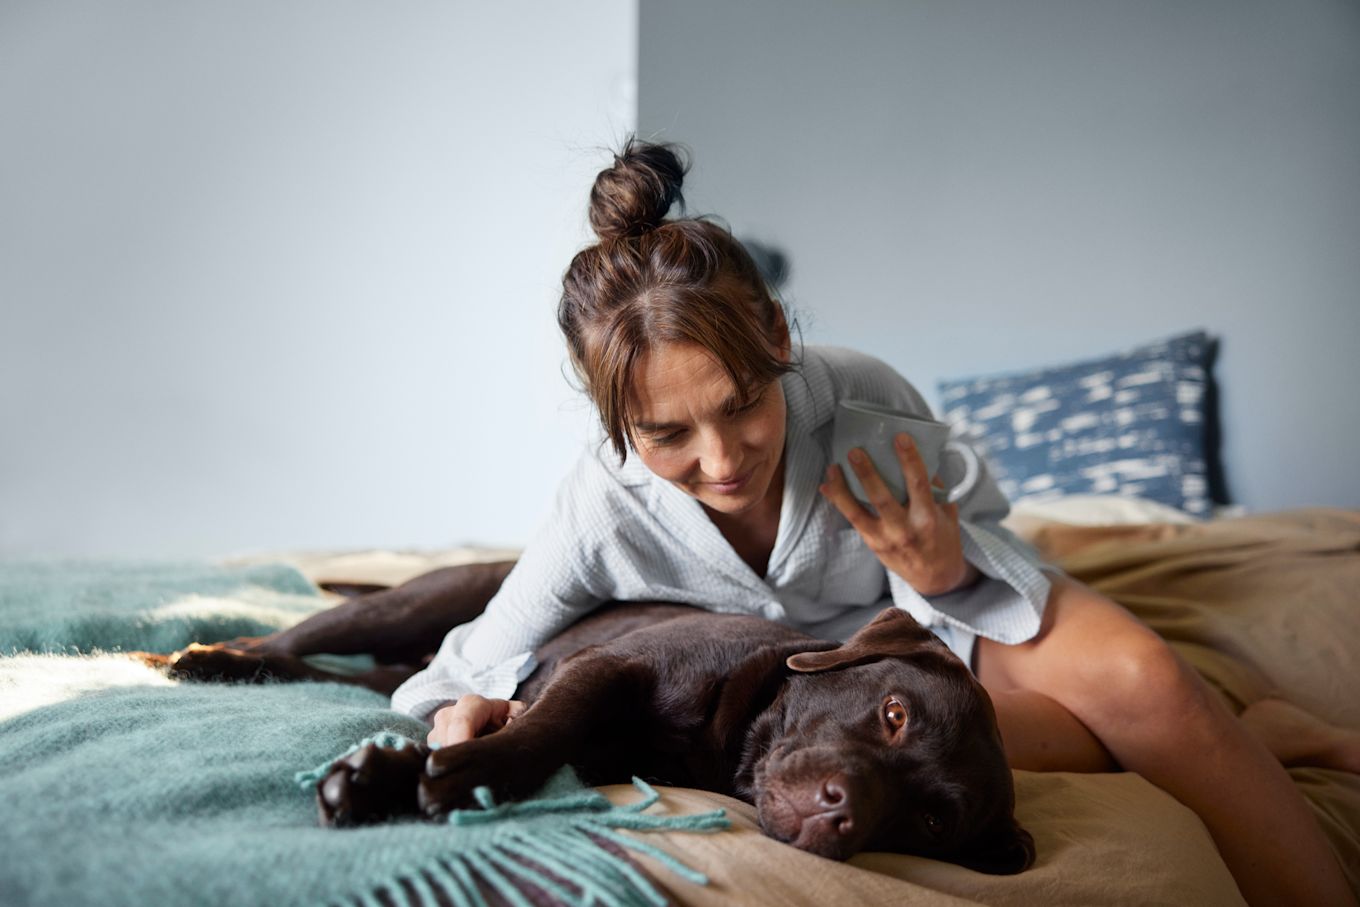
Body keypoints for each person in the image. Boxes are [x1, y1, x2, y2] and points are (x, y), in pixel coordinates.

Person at [391, 139, 1356, 907]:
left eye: (741, 406)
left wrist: (941, 573)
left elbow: (969, 544)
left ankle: (1234, 754)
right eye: (668, 433)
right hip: (802, 694)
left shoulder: (863, 400)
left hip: (927, 625)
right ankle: (1254, 731)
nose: (721, 460)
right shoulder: (600, 504)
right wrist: (458, 717)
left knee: (1144, 680)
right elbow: (468, 662)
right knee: (1014, 739)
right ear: (616, 424)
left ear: (778, 339)